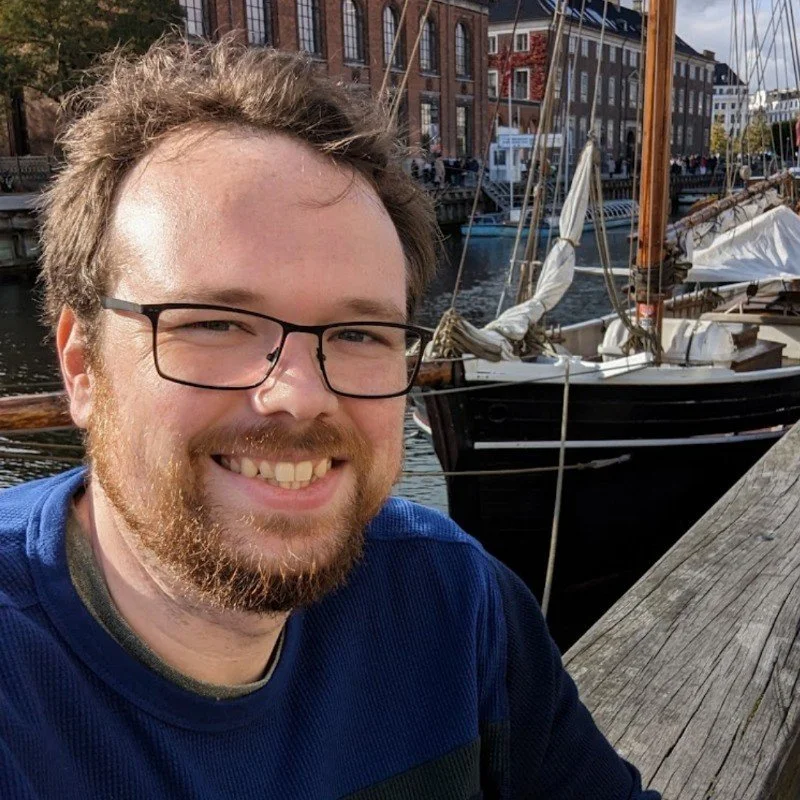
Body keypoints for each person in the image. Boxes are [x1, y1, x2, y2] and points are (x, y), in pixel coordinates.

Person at [0, 37, 660, 799]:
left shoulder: (451, 604)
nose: (300, 394)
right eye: (215, 322)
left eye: (357, 335)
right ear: (81, 365)